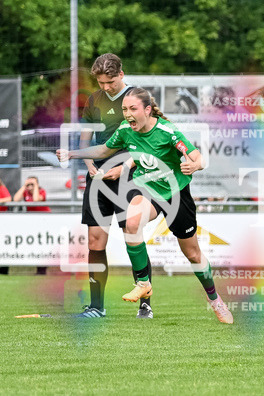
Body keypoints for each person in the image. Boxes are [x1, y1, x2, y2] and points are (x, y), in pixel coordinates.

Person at [57, 88, 233, 324]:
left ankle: (215, 300)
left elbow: (197, 156)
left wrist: (195, 166)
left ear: (147, 110)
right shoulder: (126, 131)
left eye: (133, 109)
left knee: (192, 253)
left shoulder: (167, 132)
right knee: (131, 223)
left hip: (175, 193)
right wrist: (73, 154)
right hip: (147, 188)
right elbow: (103, 150)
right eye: (124, 110)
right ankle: (143, 283)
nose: (127, 114)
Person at [74, 53, 145, 318]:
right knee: (95, 242)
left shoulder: (138, 98)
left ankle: (145, 301)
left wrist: (126, 166)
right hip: (98, 180)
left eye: (110, 82)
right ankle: (96, 306)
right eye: (101, 82)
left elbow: (149, 141)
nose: (105, 87)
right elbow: (85, 139)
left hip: (130, 177)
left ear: (121, 75)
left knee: (132, 238)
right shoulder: (94, 100)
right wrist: (89, 164)